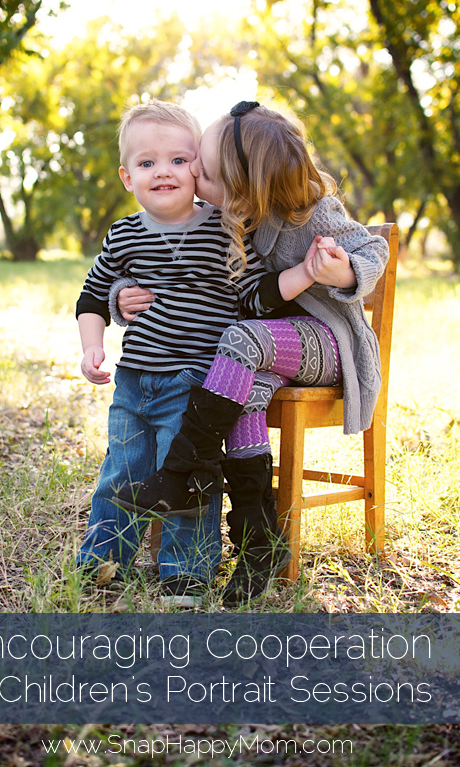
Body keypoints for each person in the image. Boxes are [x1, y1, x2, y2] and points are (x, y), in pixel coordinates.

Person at [112, 101, 390, 607]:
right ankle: (258, 543)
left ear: (244, 187)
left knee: (241, 339)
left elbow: (373, 252)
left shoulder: (314, 209)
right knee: (244, 393)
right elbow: (167, 261)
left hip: (328, 343)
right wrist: (123, 292)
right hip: (269, 354)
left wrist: (342, 271)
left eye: (207, 172)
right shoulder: (228, 215)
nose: (193, 172)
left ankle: (177, 475)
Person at [76, 98, 311, 603]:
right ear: (126, 176)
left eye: (179, 160)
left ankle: (188, 570)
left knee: (190, 474)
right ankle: (103, 561)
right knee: (123, 467)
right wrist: (92, 345)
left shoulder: (223, 227)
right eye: (147, 163)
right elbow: (93, 294)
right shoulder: (123, 236)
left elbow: (254, 293)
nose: (163, 172)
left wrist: (304, 274)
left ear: (200, 167)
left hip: (196, 380)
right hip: (135, 378)